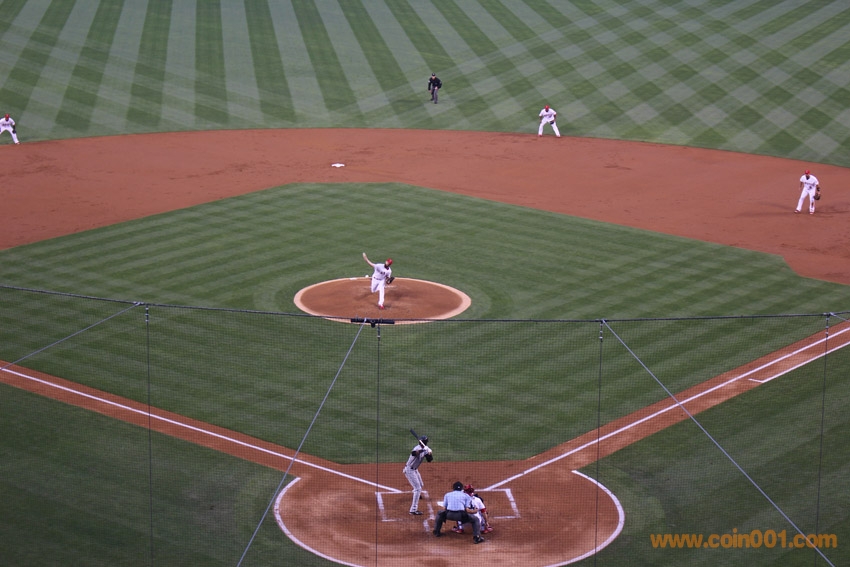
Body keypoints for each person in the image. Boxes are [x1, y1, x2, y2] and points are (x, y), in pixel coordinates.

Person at [403, 435, 433, 515]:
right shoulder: (417, 448)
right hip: (409, 470)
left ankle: (416, 494)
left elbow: (429, 460)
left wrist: (429, 453)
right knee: (418, 489)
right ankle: (413, 510)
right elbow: (413, 453)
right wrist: (422, 450)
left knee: (421, 485)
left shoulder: (426, 449)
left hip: (415, 470)